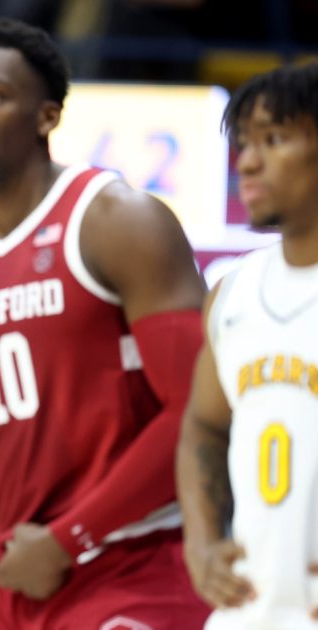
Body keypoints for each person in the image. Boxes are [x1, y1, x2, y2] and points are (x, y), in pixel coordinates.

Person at [0, 17, 210, 629]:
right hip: (16, 582)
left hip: (138, 562)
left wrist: (72, 537)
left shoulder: (118, 222)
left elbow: (198, 410)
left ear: (46, 116)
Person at [176, 62, 318, 629]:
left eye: (275, 139)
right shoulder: (233, 291)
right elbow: (202, 427)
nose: (249, 162)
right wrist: (203, 542)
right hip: (248, 611)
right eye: (245, 143)